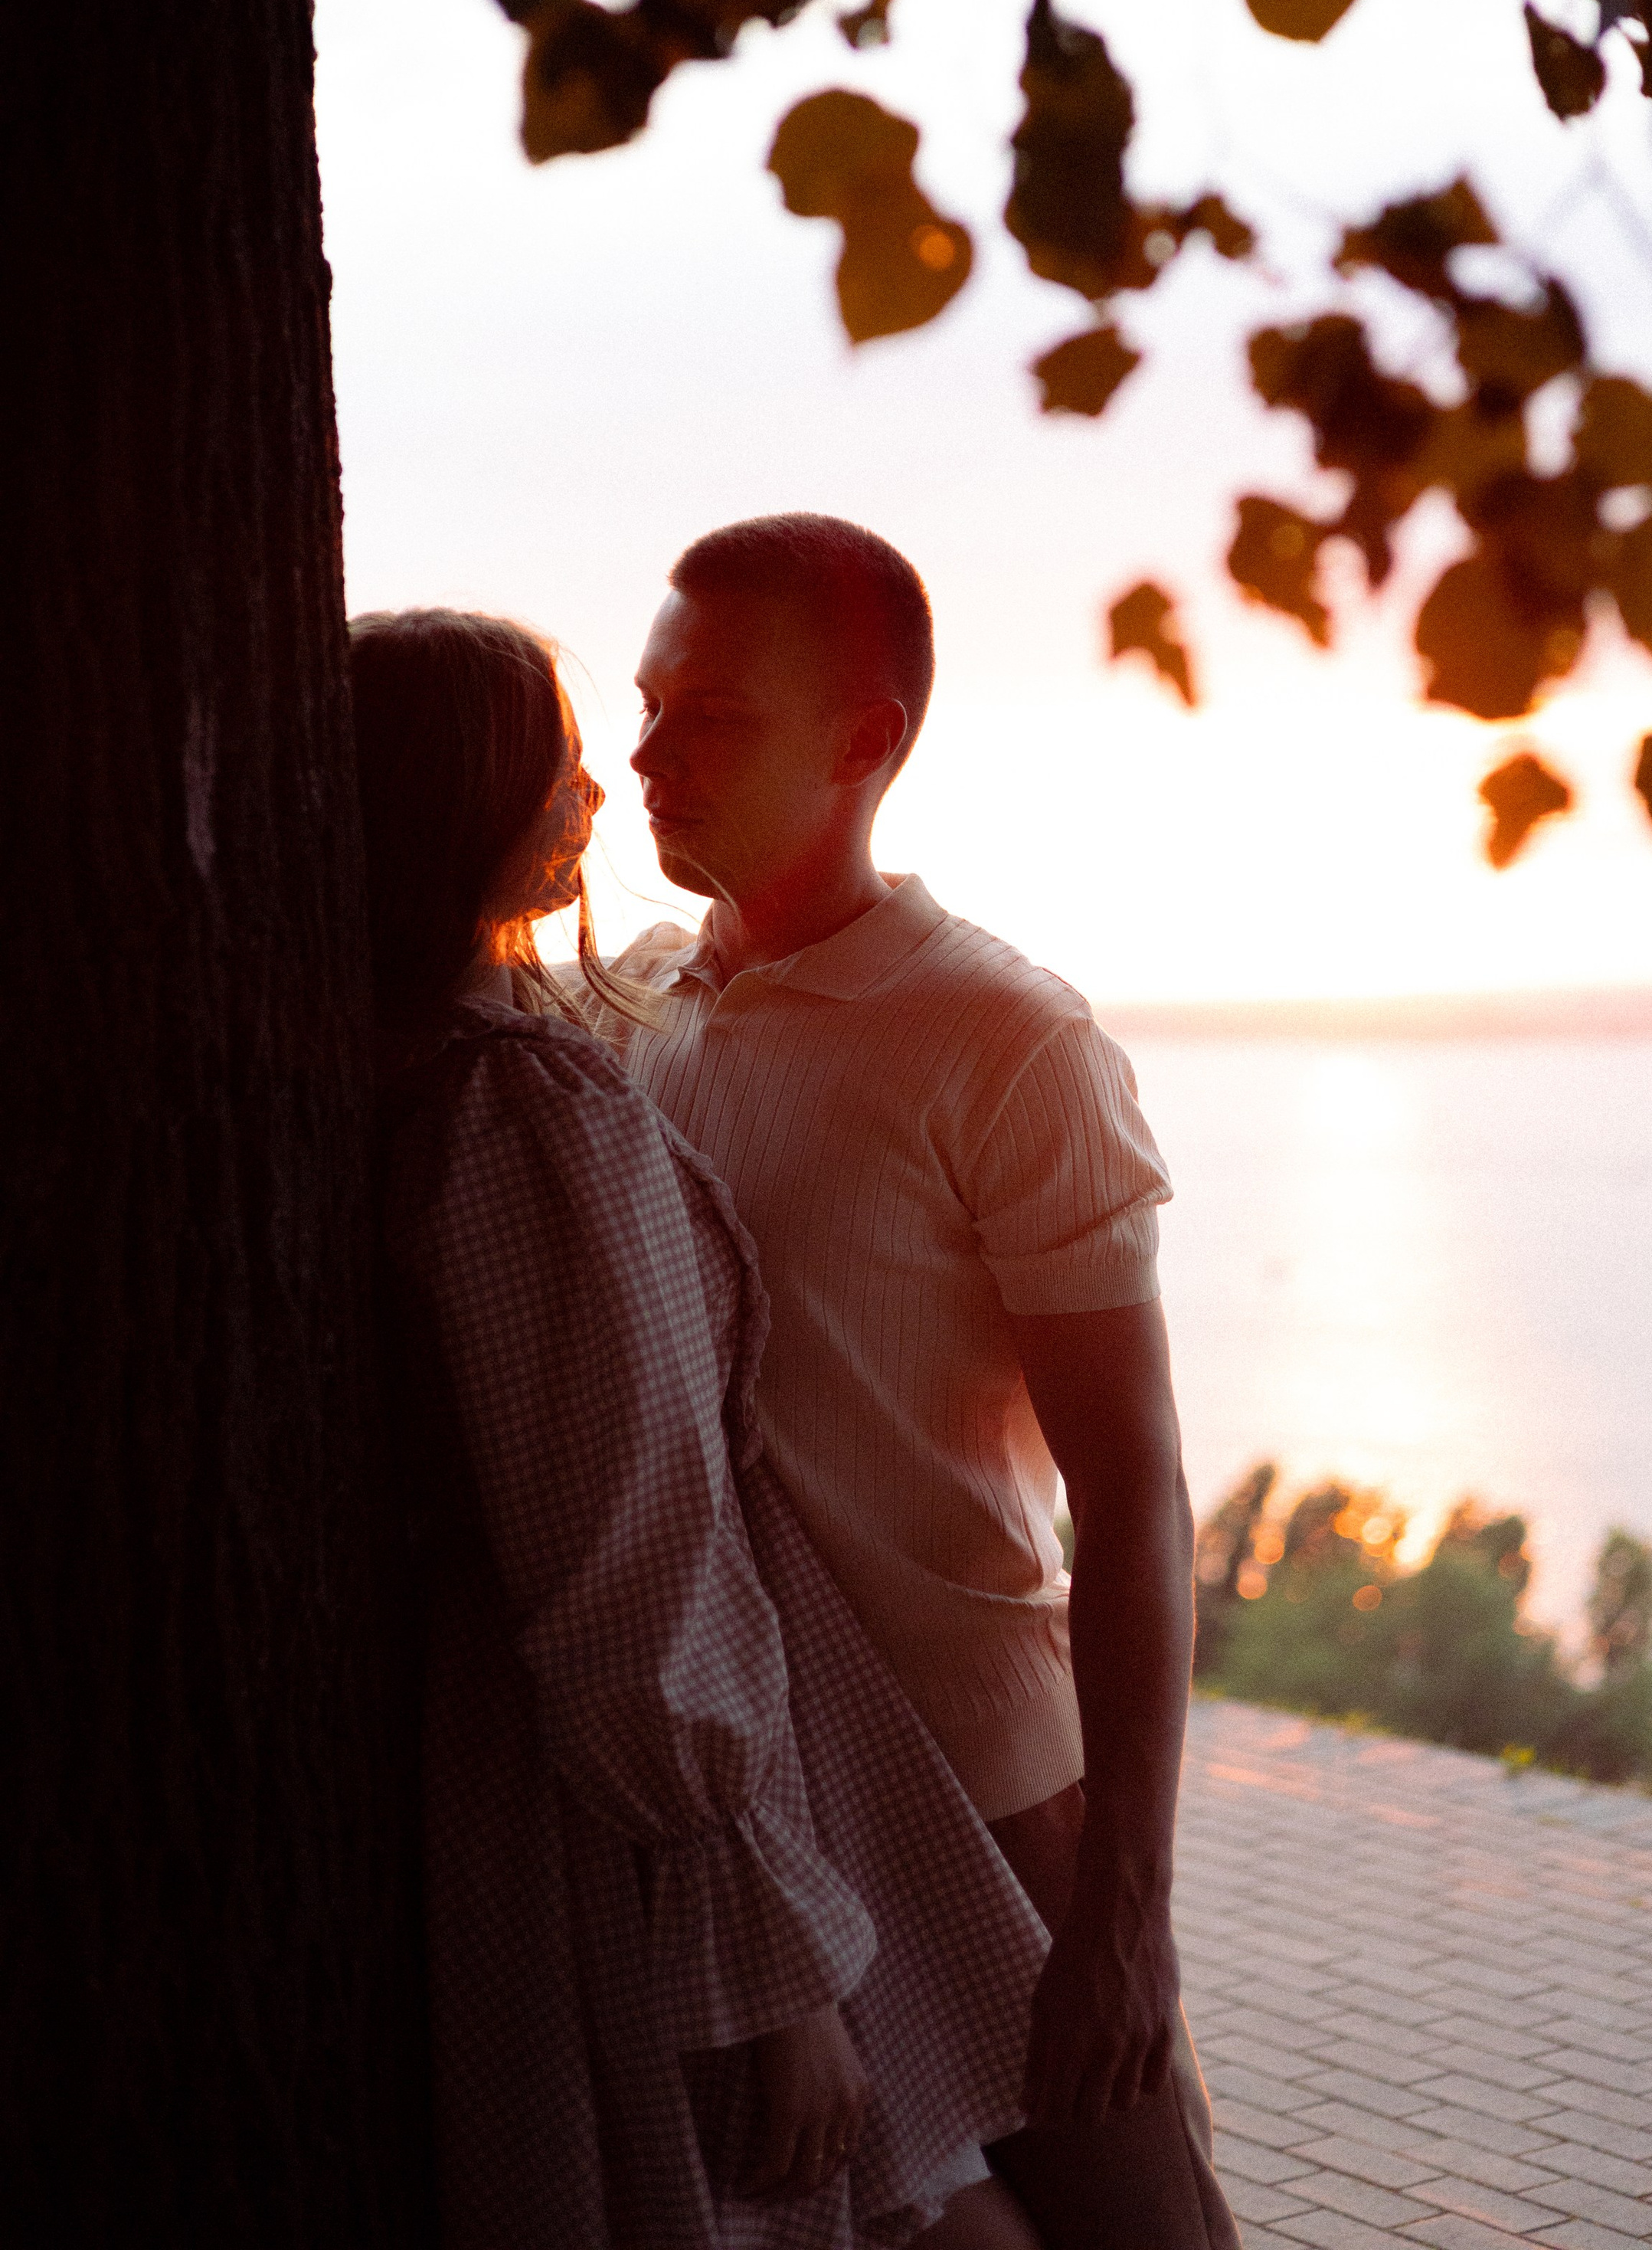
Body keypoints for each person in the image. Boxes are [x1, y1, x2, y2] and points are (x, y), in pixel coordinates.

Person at [349, 606, 1048, 2250]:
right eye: (558, 763)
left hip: (563, 1778)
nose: (598, 792)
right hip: (630, 1829)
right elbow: (628, 1555)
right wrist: (770, 1967)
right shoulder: (525, 1116)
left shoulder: (435, 1067)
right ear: (459, 802)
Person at [584, 517, 1240, 2250]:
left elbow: (1135, 1492)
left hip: (981, 1773)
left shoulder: (1008, 1040)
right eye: (647, 708)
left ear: (863, 739)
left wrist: (1126, 1909)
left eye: (711, 716)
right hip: (745, 1804)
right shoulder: (624, 1014)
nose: (647, 757)